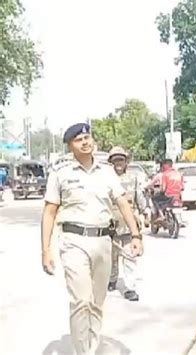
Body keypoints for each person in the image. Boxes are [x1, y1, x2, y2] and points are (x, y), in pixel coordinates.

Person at [41, 123, 143, 355]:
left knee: (96, 303)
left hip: (103, 241)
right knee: (81, 301)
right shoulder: (61, 174)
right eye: (79, 140)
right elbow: (49, 212)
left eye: (87, 137)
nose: (85, 142)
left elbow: (123, 203)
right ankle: (82, 352)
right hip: (73, 241)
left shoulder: (107, 173)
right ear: (70, 146)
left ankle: (92, 347)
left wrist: (135, 234)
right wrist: (45, 250)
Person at [107, 146, 147, 302]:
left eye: (121, 160)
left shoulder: (133, 178)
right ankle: (112, 279)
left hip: (129, 224)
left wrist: (145, 212)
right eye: (115, 160)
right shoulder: (106, 179)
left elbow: (140, 197)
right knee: (111, 256)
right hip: (109, 224)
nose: (118, 163)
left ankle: (130, 288)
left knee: (130, 256)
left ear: (126, 162)